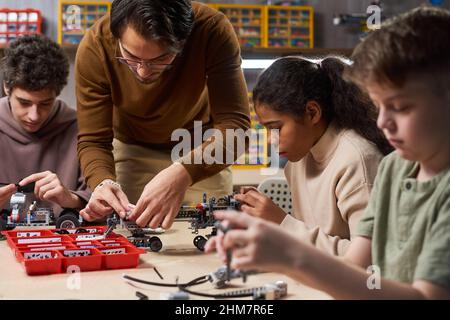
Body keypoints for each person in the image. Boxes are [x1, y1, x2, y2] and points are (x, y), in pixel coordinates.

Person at [206, 6, 450, 299]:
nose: (383, 122)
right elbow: (354, 268)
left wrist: (289, 250)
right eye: (380, 106)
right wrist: (277, 250)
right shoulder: (394, 168)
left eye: (400, 107)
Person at [75, 0, 250, 229]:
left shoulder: (211, 30)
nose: (143, 71)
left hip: (199, 147)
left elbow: (235, 127)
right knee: (130, 233)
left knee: (208, 235)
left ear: (183, 41)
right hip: (132, 147)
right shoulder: (95, 47)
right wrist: (102, 182)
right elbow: (93, 140)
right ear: (116, 36)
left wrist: (185, 171)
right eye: (131, 57)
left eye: (160, 60)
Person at [234, 56, 392, 255]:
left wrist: (282, 224)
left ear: (312, 113)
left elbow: (372, 259)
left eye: (276, 128)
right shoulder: (299, 159)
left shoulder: (357, 160)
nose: (270, 140)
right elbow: (310, 238)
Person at [0, 35, 91, 217]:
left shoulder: (81, 128)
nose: (34, 116)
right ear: (6, 88)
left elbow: (101, 201)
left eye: (45, 104)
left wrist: (71, 199)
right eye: (24, 103)